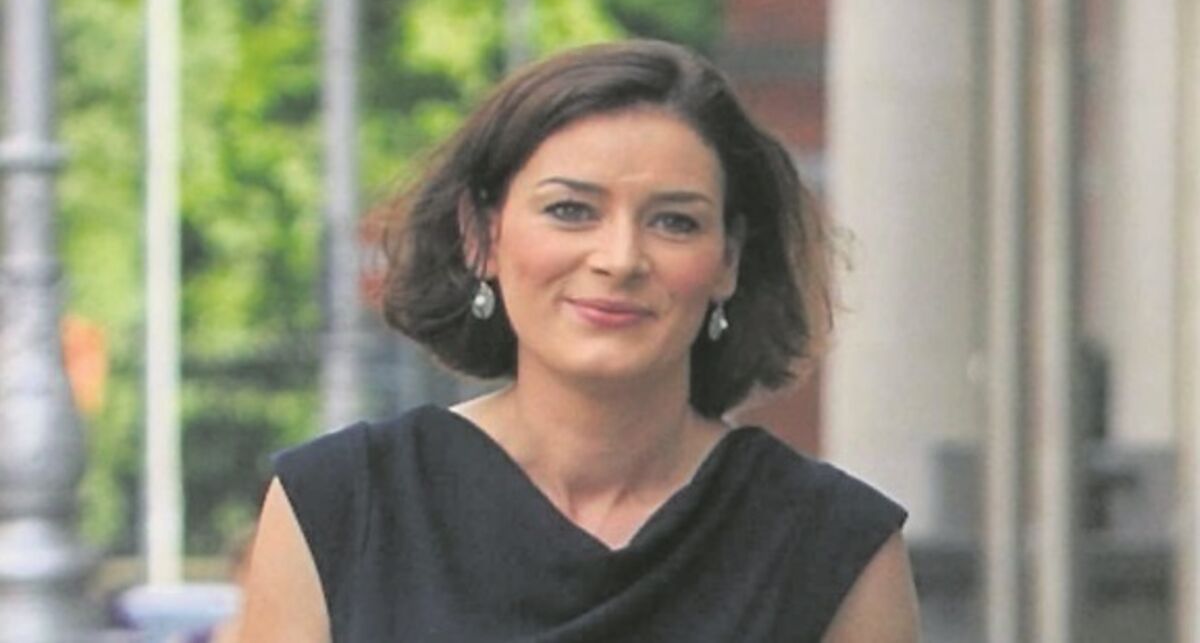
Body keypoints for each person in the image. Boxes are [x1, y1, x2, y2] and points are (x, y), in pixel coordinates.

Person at [240, 39, 920, 642]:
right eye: (571, 211)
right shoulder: (337, 505)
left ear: (729, 260)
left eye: (675, 222)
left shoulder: (835, 543)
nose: (620, 259)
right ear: (481, 236)